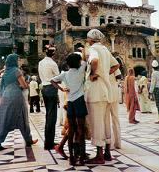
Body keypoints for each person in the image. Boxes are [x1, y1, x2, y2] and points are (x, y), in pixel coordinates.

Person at [84, 29, 119, 164]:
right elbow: (116, 64)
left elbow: (94, 60)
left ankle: (99, 156)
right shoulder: (105, 49)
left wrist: (93, 73)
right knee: (105, 122)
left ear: (90, 39)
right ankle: (107, 152)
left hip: (96, 92)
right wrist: (105, 73)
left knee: (97, 123)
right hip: (107, 91)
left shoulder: (93, 49)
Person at [51, 52, 88, 166]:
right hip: (80, 101)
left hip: (70, 103)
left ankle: (72, 157)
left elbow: (52, 81)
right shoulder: (81, 70)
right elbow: (85, 60)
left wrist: (62, 89)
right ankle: (81, 157)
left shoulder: (64, 74)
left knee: (71, 130)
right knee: (81, 130)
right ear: (78, 62)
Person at [0, 54, 38, 151]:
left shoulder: (6, 71)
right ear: (14, 61)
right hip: (16, 96)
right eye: (18, 59)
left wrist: (4, 69)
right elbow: (24, 85)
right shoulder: (16, 71)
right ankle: (28, 140)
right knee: (23, 116)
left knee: (4, 118)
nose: (19, 61)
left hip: (6, 96)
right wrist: (25, 84)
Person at [38, 45, 59, 150]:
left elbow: (40, 75)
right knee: (52, 116)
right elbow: (58, 78)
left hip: (44, 88)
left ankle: (48, 141)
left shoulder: (40, 63)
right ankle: (49, 143)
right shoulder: (53, 64)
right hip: (51, 88)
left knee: (48, 115)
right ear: (53, 53)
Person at [106, 69, 122, 150]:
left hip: (106, 93)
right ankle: (118, 142)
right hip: (114, 91)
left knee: (106, 119)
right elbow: (119, 76)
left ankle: (109, 143)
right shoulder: (112, 64)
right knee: (115, 117)